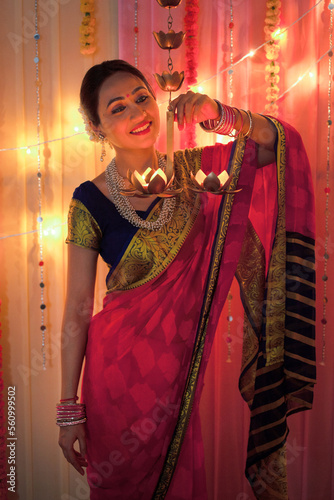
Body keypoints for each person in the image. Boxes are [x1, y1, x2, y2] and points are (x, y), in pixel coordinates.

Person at [58, 59, 316, 500]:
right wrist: (68, 409)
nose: (137, 113)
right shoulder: (88, 201)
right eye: (117, 108)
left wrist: (221, 114)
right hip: (116, 375)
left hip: (178, 372)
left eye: (142, 98)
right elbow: (78, 311)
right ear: (97, 128)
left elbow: (281, 147)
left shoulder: (199, 176)